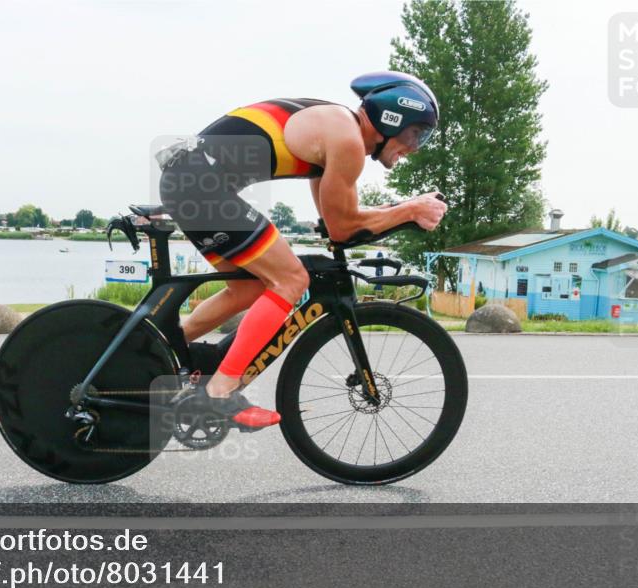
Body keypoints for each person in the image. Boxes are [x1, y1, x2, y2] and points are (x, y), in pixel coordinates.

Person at [158, 71, 448, 430]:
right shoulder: (348, 141)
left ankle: (157, 349)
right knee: (291, 280)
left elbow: (335, 222)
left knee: (250, 288)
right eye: (416, 133)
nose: (415, 147)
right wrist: (409, 209)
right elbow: (344, 226)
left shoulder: (337, 129)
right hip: (202, 186)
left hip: (191, 181)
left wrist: (400, 211)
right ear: (393, 118)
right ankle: (220, 391)